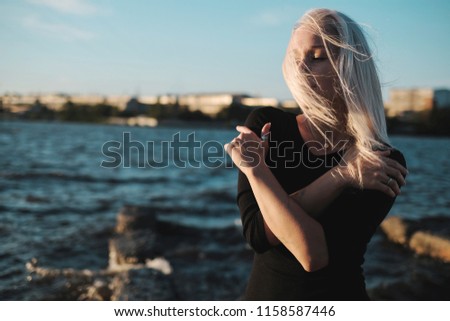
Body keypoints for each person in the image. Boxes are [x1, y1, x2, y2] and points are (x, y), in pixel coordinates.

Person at [224, 8, 408, 300]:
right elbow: (258, 233)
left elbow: (312, 254)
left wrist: (258, 172)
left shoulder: (380, 161)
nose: (301, 67)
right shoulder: (266, 126)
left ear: (349, 66)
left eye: (317, 57)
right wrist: (342, 176)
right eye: (295, 58)